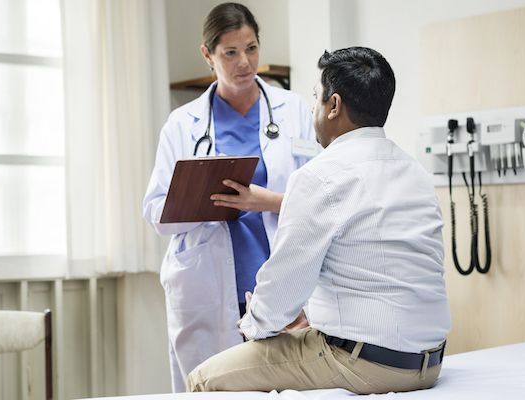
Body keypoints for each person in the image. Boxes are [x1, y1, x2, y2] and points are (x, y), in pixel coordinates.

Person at [186, 47, 451, 394]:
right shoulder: (415, 171)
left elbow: (282, 286)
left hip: (364, 364)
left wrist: (256, 322)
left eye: (316, 97)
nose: (313, 108)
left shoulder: (319, 176)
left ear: (334, 106)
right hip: (427, 363)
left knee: (203, 380)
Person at [142, 3, 317, 392]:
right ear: (208, 55)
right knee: (211, 389)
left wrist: (264, 201)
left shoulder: (294, 111)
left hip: (276, 285)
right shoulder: (181, 124)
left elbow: (319, 198)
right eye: (231, 53)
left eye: (251, 48)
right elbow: (155, 211)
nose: (245, 62)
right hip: (208, 286)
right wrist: (201, 198)